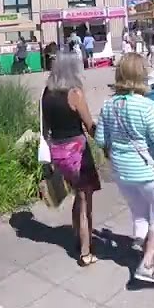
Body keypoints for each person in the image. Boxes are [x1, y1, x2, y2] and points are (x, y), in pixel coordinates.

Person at [94, 53, 154, 284]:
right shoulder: (147, 106)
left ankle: (140, 240)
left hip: (121, 172)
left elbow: (101, 140)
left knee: (138, 210)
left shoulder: (108, 105)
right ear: (142, 75)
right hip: (145, 171)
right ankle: (147, 263)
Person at [41, 54, 103, 266]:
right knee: (86, 201)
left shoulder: (47, 94)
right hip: (77, 152)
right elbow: (89, 126)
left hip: (57, 152)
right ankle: (86, 250)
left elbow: (44, 129)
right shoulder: (75, 94)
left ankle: (78, 235)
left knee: (77, 196)